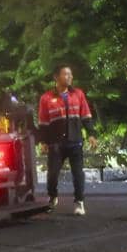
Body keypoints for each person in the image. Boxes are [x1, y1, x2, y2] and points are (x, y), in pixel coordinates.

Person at [38, 65, 93, 215]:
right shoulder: (46, 98)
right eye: (65, 74)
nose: (69, 77)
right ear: (56, 77)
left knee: (78, 173)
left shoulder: (78, 94)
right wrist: (43, 141)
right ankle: (53, 196)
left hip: (75, 141)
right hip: (56, 143)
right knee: (52, 174)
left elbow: (86, 117)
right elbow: (43, 123)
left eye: (70, 74)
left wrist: (92, 134)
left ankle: (79, 202)